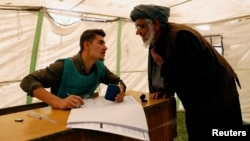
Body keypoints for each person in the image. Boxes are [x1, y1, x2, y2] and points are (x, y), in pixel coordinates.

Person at [130, 4, 243, 140]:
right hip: (196, 101)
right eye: (137, 27)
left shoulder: (181, 36)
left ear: (155, 24)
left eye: (141, 26)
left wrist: (164, 65)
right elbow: (175, 73)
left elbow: (197, 76)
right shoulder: (156, 40)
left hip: (217, 98)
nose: (138, 32)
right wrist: (165, 89)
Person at [20, 29, 126, 110]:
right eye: (101, 43)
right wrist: (58, 102)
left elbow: (118, 82)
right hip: (59, 119)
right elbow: (27, 81)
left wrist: (120, 90)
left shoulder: (100, 67)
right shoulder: (63, 66)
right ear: (87, 45)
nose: (106, 47)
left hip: (85, 115)